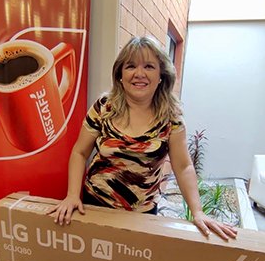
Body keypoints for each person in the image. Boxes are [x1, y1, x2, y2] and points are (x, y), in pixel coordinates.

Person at [49, 36, 237, 240]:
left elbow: (183, 167)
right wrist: (72, 195)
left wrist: (198, 212)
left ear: (161, 75)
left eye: (149, 66)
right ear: (120, 74)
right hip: (95, 204)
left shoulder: (171, 118)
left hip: (142, 214)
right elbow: (80, 152)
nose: (139, 74)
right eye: (130, 66)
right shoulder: (104, 107)